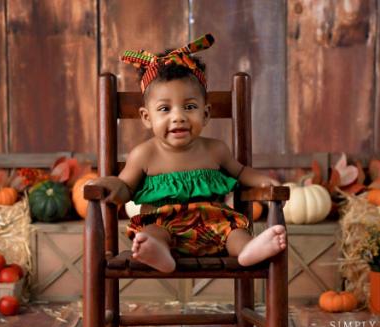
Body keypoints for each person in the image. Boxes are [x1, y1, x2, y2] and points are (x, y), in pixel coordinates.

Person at [93, 33, 287, 273]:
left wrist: (264, 181)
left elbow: (241, 172)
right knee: (153, 231)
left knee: (235, 232)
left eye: (190, 107)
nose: (178, 116)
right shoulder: (144, 155)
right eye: (165, 108)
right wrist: (109, 185)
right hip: (166, 226)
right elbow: (125, 186)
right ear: (146, 117)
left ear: (205, 114)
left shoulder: (216, 150)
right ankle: (158, 252)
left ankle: (248, 250)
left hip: (214, 225)